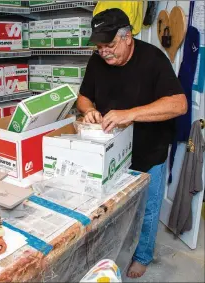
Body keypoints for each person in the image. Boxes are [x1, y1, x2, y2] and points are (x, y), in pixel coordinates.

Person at [77, 8, 187, 278]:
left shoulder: (153, 59)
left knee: (148, 210)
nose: (104, 52)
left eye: (110, 45)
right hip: (112, 154)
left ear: (127, 37)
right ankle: (113, 248)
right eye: (100, 46)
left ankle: (143, 255)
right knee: (111, 209)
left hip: (148, 152)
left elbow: (179, 104)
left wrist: (130, 114)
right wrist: (89, 109)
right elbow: (82, 97)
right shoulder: (97, 61)